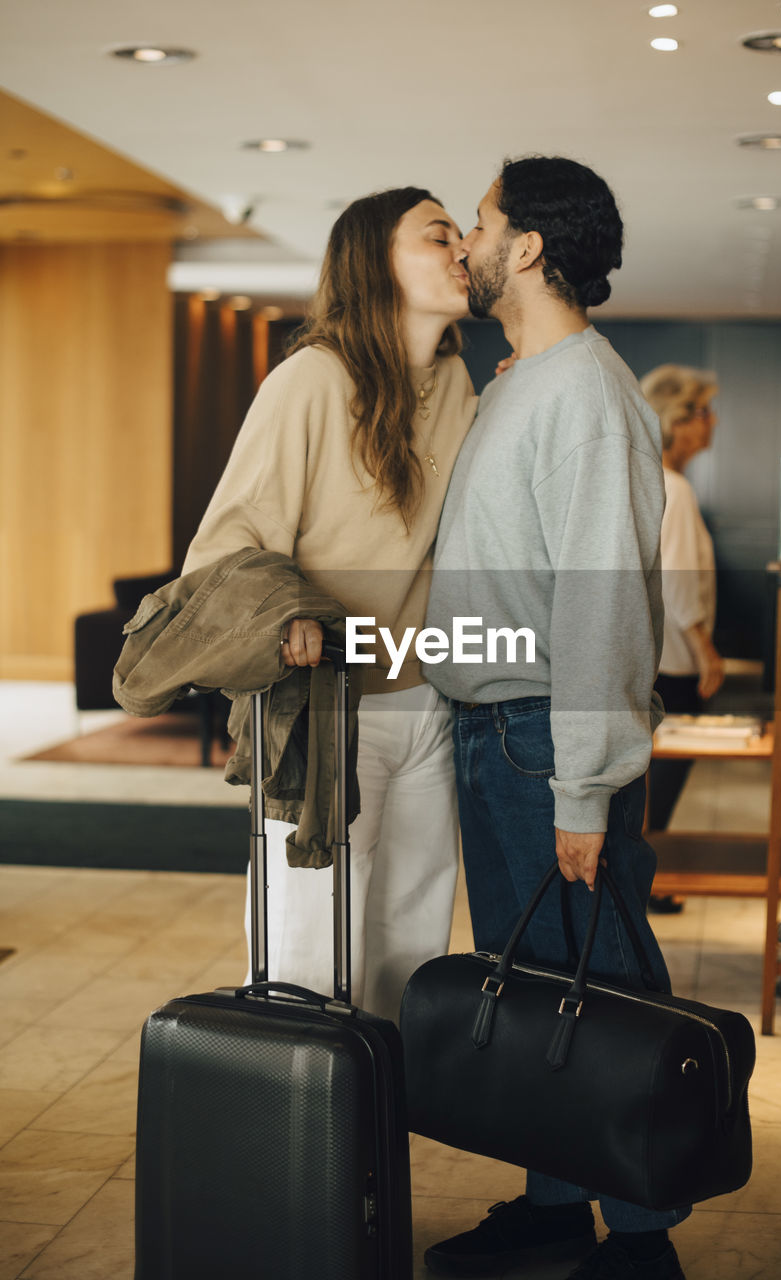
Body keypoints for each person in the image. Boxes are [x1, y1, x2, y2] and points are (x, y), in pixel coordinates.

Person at [424, 157, 690, 1280]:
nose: (468, 243)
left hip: (542, 743)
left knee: (599, 988)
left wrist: (581, 783)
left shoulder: (583, 391)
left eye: (479, 223)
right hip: (501, 735)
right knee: (535, 989)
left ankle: (638, 1245)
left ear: (525, 248)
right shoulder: (520, 377)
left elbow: (597, 605)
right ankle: (553, 1199)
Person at [182, 187, 477, 1023]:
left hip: (427, 704)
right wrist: (292, 616)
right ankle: (304, 1134)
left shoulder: (457, 385)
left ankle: (375, 1128)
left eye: (460, 235)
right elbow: (223, 551)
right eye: (437, 235)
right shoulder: (308, 380)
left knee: (410, 949)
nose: (460, 250)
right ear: (374, 262)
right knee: (307, 952)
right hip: (321, 712)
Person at [639, 365, 724, 913]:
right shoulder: (677, 489)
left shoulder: (651, 480)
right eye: (703, 411)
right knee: (661, 779)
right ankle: (644, 878)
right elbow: (680, 580)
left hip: (653, 656)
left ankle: (645, 875)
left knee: (652, 775)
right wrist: (707, 652)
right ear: (679, 421)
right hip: (675, 661)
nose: (711, 422)